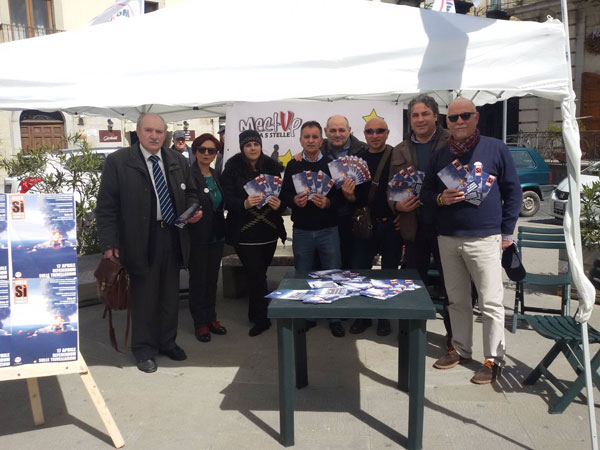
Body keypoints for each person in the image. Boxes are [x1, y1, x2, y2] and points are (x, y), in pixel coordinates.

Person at [420, 98, 522, 384]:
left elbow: (513, 193)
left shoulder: (495, 148)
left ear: (476, 118)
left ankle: (493, 359)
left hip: (485, 238)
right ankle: (461, 349)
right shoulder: (440, 155)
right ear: (446, 122)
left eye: (466, 115)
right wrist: (440, 198)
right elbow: (426, 193)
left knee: (490, 303)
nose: (460, 121)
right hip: (448, 239)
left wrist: (506, 234)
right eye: (453, 118)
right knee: (457, 300)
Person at [96, 113, 202, 373]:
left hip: (173, 234)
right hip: (139, 238)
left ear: (165, 134)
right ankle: (143, 349)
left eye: (159, 131)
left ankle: (167, 342)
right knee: (144, 296)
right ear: (138, 133)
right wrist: (109, 243)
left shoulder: (177, 160)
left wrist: (192, 209)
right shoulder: (119, 162)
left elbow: (191, 192)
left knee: (169, 294)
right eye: (149, 131)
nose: (154, 136)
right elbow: (106, 208)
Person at [388, 94, 451, 345]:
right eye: (415, 115)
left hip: (446, 224)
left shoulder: (452, 141)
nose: (420, 119)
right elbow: (391, 187)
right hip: (412, 226)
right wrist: (396, 205)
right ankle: (411, 335)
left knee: (451, 285)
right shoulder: (401, 149)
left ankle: (453, 338)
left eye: (425, 114)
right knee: (413, 282)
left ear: (436, 116)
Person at [280, 121, 344, 337]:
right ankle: (307, 316)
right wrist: (293, 201)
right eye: (306, 136)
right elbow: (284, 193)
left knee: (332, 274)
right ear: (300, 140)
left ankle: (334, 317)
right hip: (302, 230)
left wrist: (328, 203)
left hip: (328, 230)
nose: (310, 140)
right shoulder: (293, 165)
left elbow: (341, 198)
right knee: (304, 275)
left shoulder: (332, 164)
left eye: (315, 136)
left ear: (321, 140)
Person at [221, 129, 286, 337]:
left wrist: (279, 204)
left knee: (260, 273)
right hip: (244, 232)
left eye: (255, 144)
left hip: (269, 231)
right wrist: (244, 203)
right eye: (248, 145)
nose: (252, 148)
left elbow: (283, 196)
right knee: (256, 275)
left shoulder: (273, 167)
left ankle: (254, 312)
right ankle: (261, 318)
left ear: (260, 146)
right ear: (242, 148)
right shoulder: (231, 169)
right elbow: (226, 199)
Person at [341, 117, 399, 336]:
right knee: (360, 273)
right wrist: (349, 196)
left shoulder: (396, 156)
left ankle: (384, 318)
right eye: (370, 131)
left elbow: (407, 186)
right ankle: (363, 316)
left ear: (387, 132)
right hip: (364, 226)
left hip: (391, 226)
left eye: (380, 131)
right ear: (364, 134)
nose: (375, 135)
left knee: (388, 274)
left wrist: (404, 215)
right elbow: (352, 198)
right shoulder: (357, 158)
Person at [187, 133, 227, 343]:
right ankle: (200, 323)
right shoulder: (189, 174)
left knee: (212, 280)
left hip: (217, 235)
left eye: (211, 150)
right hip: (198, 236)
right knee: (198, 281)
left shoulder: (215, 174)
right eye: (202, 149)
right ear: (195, 151)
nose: (206, 153)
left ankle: (211, 318)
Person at [322, 115, 368, 269]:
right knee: (328, 269)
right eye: (333, 130)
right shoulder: (317, 150)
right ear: (325, 131)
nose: (337, 134)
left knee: (355, 268)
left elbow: (370, 188)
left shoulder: (364, 150)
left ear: (349, 130)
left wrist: (354, 197)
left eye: (341, 130)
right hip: (328, 220)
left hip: (355, 220)